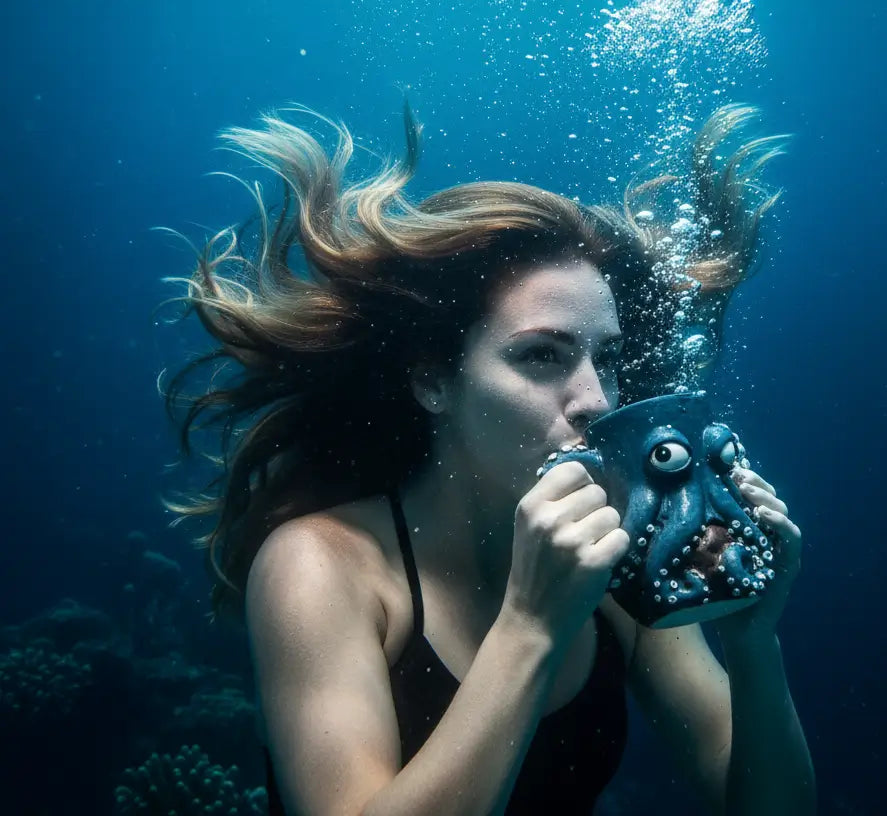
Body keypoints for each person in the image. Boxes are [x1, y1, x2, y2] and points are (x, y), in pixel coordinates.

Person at [166, 102, 816, 816]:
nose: (596, 401)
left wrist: (754, 648)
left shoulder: (614, 558)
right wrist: (532, 624)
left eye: (609, 358)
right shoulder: (320, 565)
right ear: (433, 381)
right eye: (541, 356)